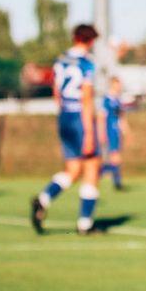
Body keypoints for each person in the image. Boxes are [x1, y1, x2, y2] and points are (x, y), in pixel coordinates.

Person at [31, 24, 103, 235]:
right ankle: (85, 224)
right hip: (80, 118)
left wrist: (64, 113)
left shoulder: (60, 60)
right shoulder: (86, 63)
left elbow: (56, 92)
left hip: (64, 116)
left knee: (73, 170)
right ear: (89, 41)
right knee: (92, 166)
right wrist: (89, 133)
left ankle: (43, 199)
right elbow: (86, 99)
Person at [98, 76, 130, 190]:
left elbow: (120, 117)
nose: (119, 87)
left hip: (116, 131)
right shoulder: (106, 100)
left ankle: (103, 174)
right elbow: (101, 117)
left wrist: (125, 131)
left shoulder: (117, 100)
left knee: (115, 156)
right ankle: (115, 181)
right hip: (109, 130)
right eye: (117, 85)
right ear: (112, 85)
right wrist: (101, 132)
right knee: (115, 156)